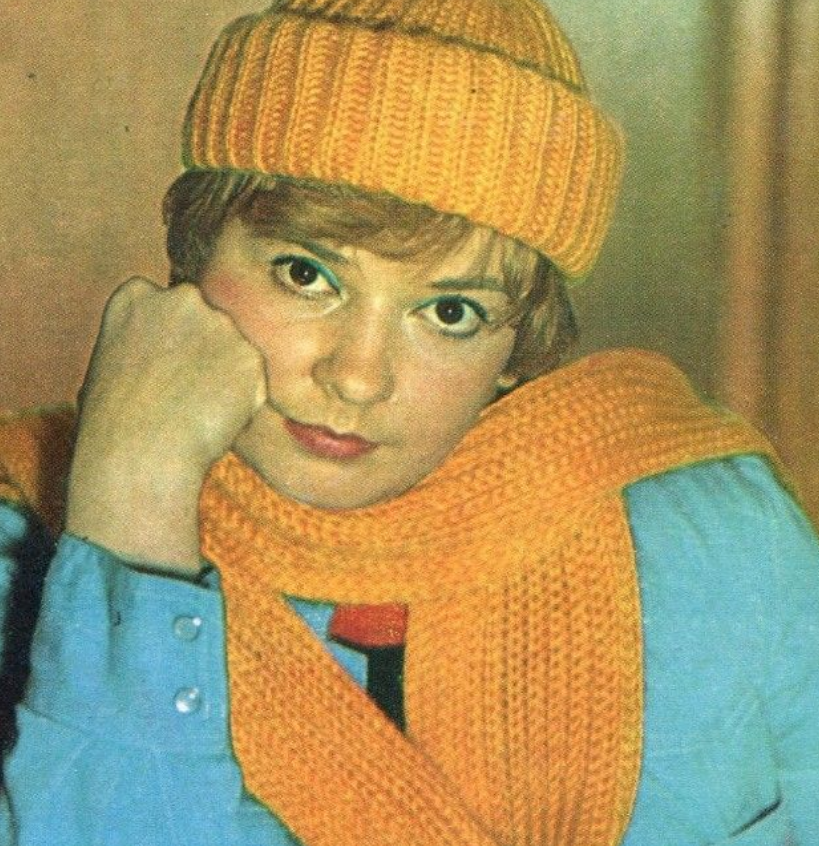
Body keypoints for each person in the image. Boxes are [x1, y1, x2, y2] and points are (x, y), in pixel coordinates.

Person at [1, 0, 817, 843]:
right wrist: (133, 508)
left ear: (518, 344)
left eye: (450, 312)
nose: (357, 377)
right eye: (305, 274)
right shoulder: (23, 553)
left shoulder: (721, 541)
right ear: (194, 256)